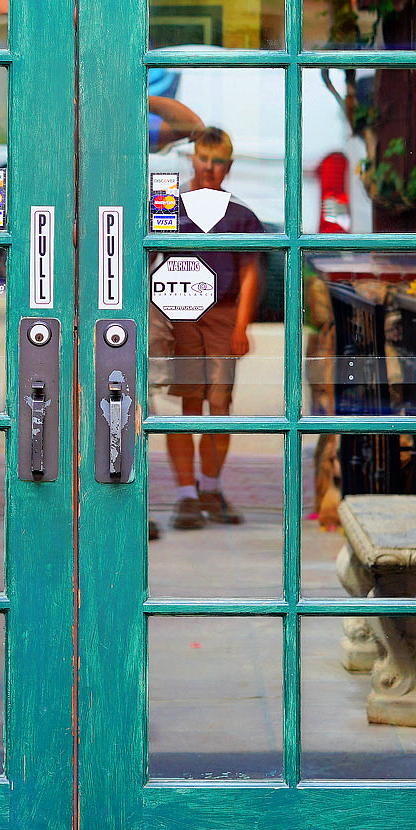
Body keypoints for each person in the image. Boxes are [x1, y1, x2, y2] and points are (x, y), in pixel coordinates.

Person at [156, 126, 262, 530]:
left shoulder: (241, 216)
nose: (210, 167)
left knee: (219, 406)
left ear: (228, 167)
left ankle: (211, 488)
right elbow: (149, 255)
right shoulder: (169, 207)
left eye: (218, 161)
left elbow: (250, 271)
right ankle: (186, 495)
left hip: (222, 314)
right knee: (186, 405)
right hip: (178, 311)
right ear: (192, 160)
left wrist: (241, 326)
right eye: (204, 158)